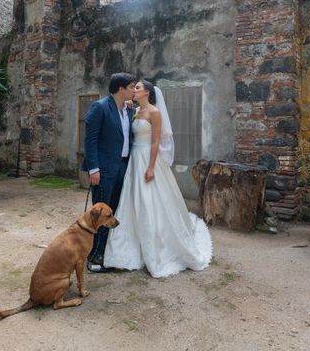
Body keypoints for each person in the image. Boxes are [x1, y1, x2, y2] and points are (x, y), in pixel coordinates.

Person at [103, 80, 212, 278]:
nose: (134, 90)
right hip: (134, 160)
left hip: (148, 158)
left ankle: (158, 247)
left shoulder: (155, 112)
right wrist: (129, 107)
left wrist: (151, 167)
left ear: (147, 92)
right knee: (131, 199)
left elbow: (155, 142)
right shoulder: (134, 110)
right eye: (133, 87)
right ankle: (128, 246)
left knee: (150, 200)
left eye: (137, 87)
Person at [81, 72, 136, 272]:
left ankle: (106, 252)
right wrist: (93, 169)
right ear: (121, 89)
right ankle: (94, 258)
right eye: (131, 87)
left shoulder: (128, 109)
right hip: (103, 170)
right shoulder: (100, 107)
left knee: (113, 211)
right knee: (100, 215)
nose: (134, 90)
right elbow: (90, 140)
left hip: (123, 168)